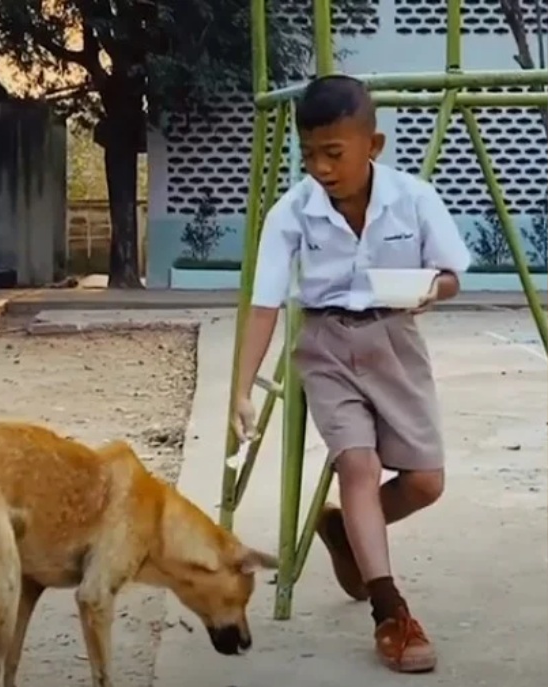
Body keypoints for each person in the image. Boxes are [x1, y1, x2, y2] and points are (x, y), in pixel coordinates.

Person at [231, 74, 472, 673]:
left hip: (396, 339)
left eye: (333, 154)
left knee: (425, 482)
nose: (320, 167)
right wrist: (241, 389)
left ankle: (343, 535)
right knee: (357, 466)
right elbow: (263, 303)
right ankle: (391, 613)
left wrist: (429, 290)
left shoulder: (415, 199)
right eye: (308, 154)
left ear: (374, 145)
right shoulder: (292, 213)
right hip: (326, 343)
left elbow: (451, 274)